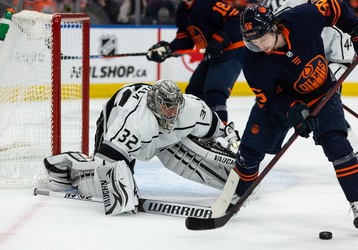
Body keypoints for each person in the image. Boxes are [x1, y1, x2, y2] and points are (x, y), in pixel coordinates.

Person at [235, 3, 358, 228]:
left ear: (274, 27)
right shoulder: (252, 61)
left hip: (322, 91)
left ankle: (357, 201)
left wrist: (355, 29)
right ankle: (235, 197)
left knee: (337, 145)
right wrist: (293, 109)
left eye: (262, 39)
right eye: (252, 41)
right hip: (284, 100)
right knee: (250, 151)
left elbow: (334, 6)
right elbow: (269, 98)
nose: (259, 46)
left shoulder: (303, 17)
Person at [44, 79, 240, 215]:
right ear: (155, 104)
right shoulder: (134, 122)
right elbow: (106, 162)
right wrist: (122, 189)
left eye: (175, 106)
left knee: (188, 151)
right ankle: (64, 166)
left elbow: (219, 131)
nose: (172, 112)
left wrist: (231, 146)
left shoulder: (193, 109)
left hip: (155, 134)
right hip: (116, 113)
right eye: (166, 106)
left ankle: (236, 182)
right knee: (101, 186)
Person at [263, 0, 358, 157]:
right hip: (290, 68)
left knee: (329, 111)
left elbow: (342, 61)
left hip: (323, 72)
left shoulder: (337, 12)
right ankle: (265, 146)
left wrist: (321, 84)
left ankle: (350, 150)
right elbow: (270, 39)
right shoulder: (291, 6)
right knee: (280, 109)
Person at [145, 0, 245, 124]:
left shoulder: (207, 3)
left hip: (233, 49)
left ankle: (222, 135)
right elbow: (185, 39)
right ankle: (197, 128)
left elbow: (236, 18)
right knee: (194, 92)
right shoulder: (183, 9)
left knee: (215, 93)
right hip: (214, 53)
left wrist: (219, 39)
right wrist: (168, 49)